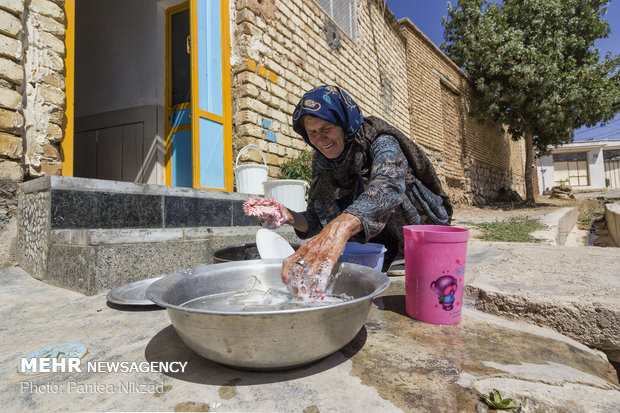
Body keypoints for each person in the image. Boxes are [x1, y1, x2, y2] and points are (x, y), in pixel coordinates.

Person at [247, 85, 453, 297]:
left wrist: (340, 229)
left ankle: (404, 249)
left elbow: (388, 187)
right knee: (345, 211)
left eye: (326, 128)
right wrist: (290, 216)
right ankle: (385, 251)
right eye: (313, 133)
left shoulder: (380, 139)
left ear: (344, 124)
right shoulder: (323, 159)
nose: (320, 139)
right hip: (378, 235)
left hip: (419, 224)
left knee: (386, 188)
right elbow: (320, 217)